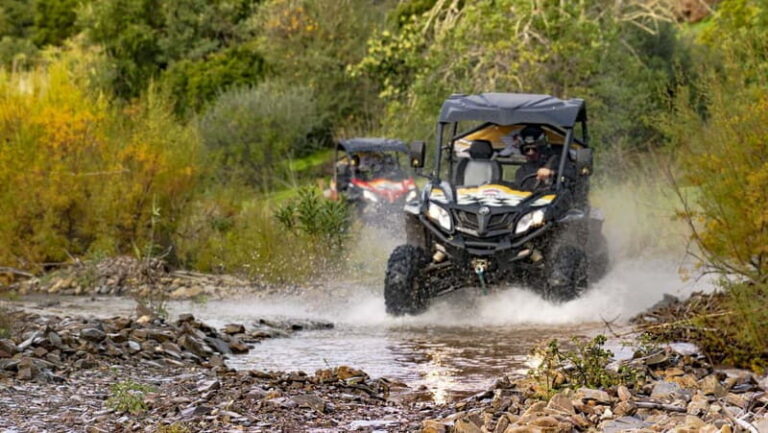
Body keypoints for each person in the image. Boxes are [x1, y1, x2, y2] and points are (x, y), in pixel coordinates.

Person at [514, 125, 558, 190]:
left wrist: (552, 173)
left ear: (542, 149)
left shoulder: (556, 161)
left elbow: (571, 175)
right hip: (530, 198)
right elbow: (519, 191)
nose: (530, 153)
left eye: (534, 149)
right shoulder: (521, 171)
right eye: (527, 149)